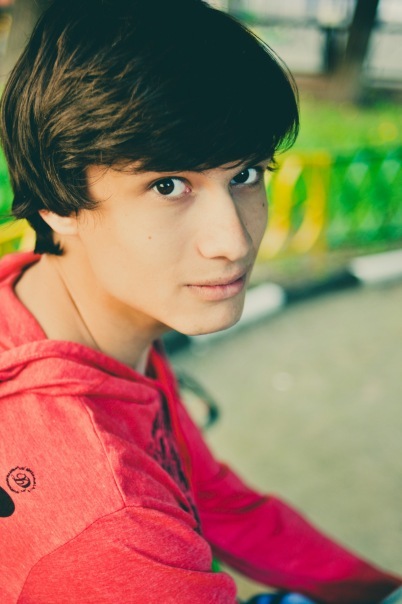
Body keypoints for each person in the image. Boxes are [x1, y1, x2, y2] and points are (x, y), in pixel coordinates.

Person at [0, 1, 400, 602]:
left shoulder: (65, 308)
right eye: (168, 185)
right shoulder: (115, 532)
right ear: (57, 200)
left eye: (246, 175)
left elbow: (213, 498)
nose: (232, 241)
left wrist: (379, 591)